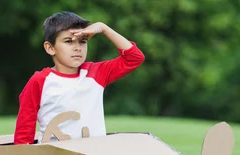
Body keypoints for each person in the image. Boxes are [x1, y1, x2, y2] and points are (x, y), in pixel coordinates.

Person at [13, 11, 145, 145]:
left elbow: (134, 58)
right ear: (50, 47)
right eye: (68, 41)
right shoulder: (40, 81)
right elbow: (24, 133)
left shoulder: (96, 73)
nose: (77, 48)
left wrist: (104, 28)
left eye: (82, 41)